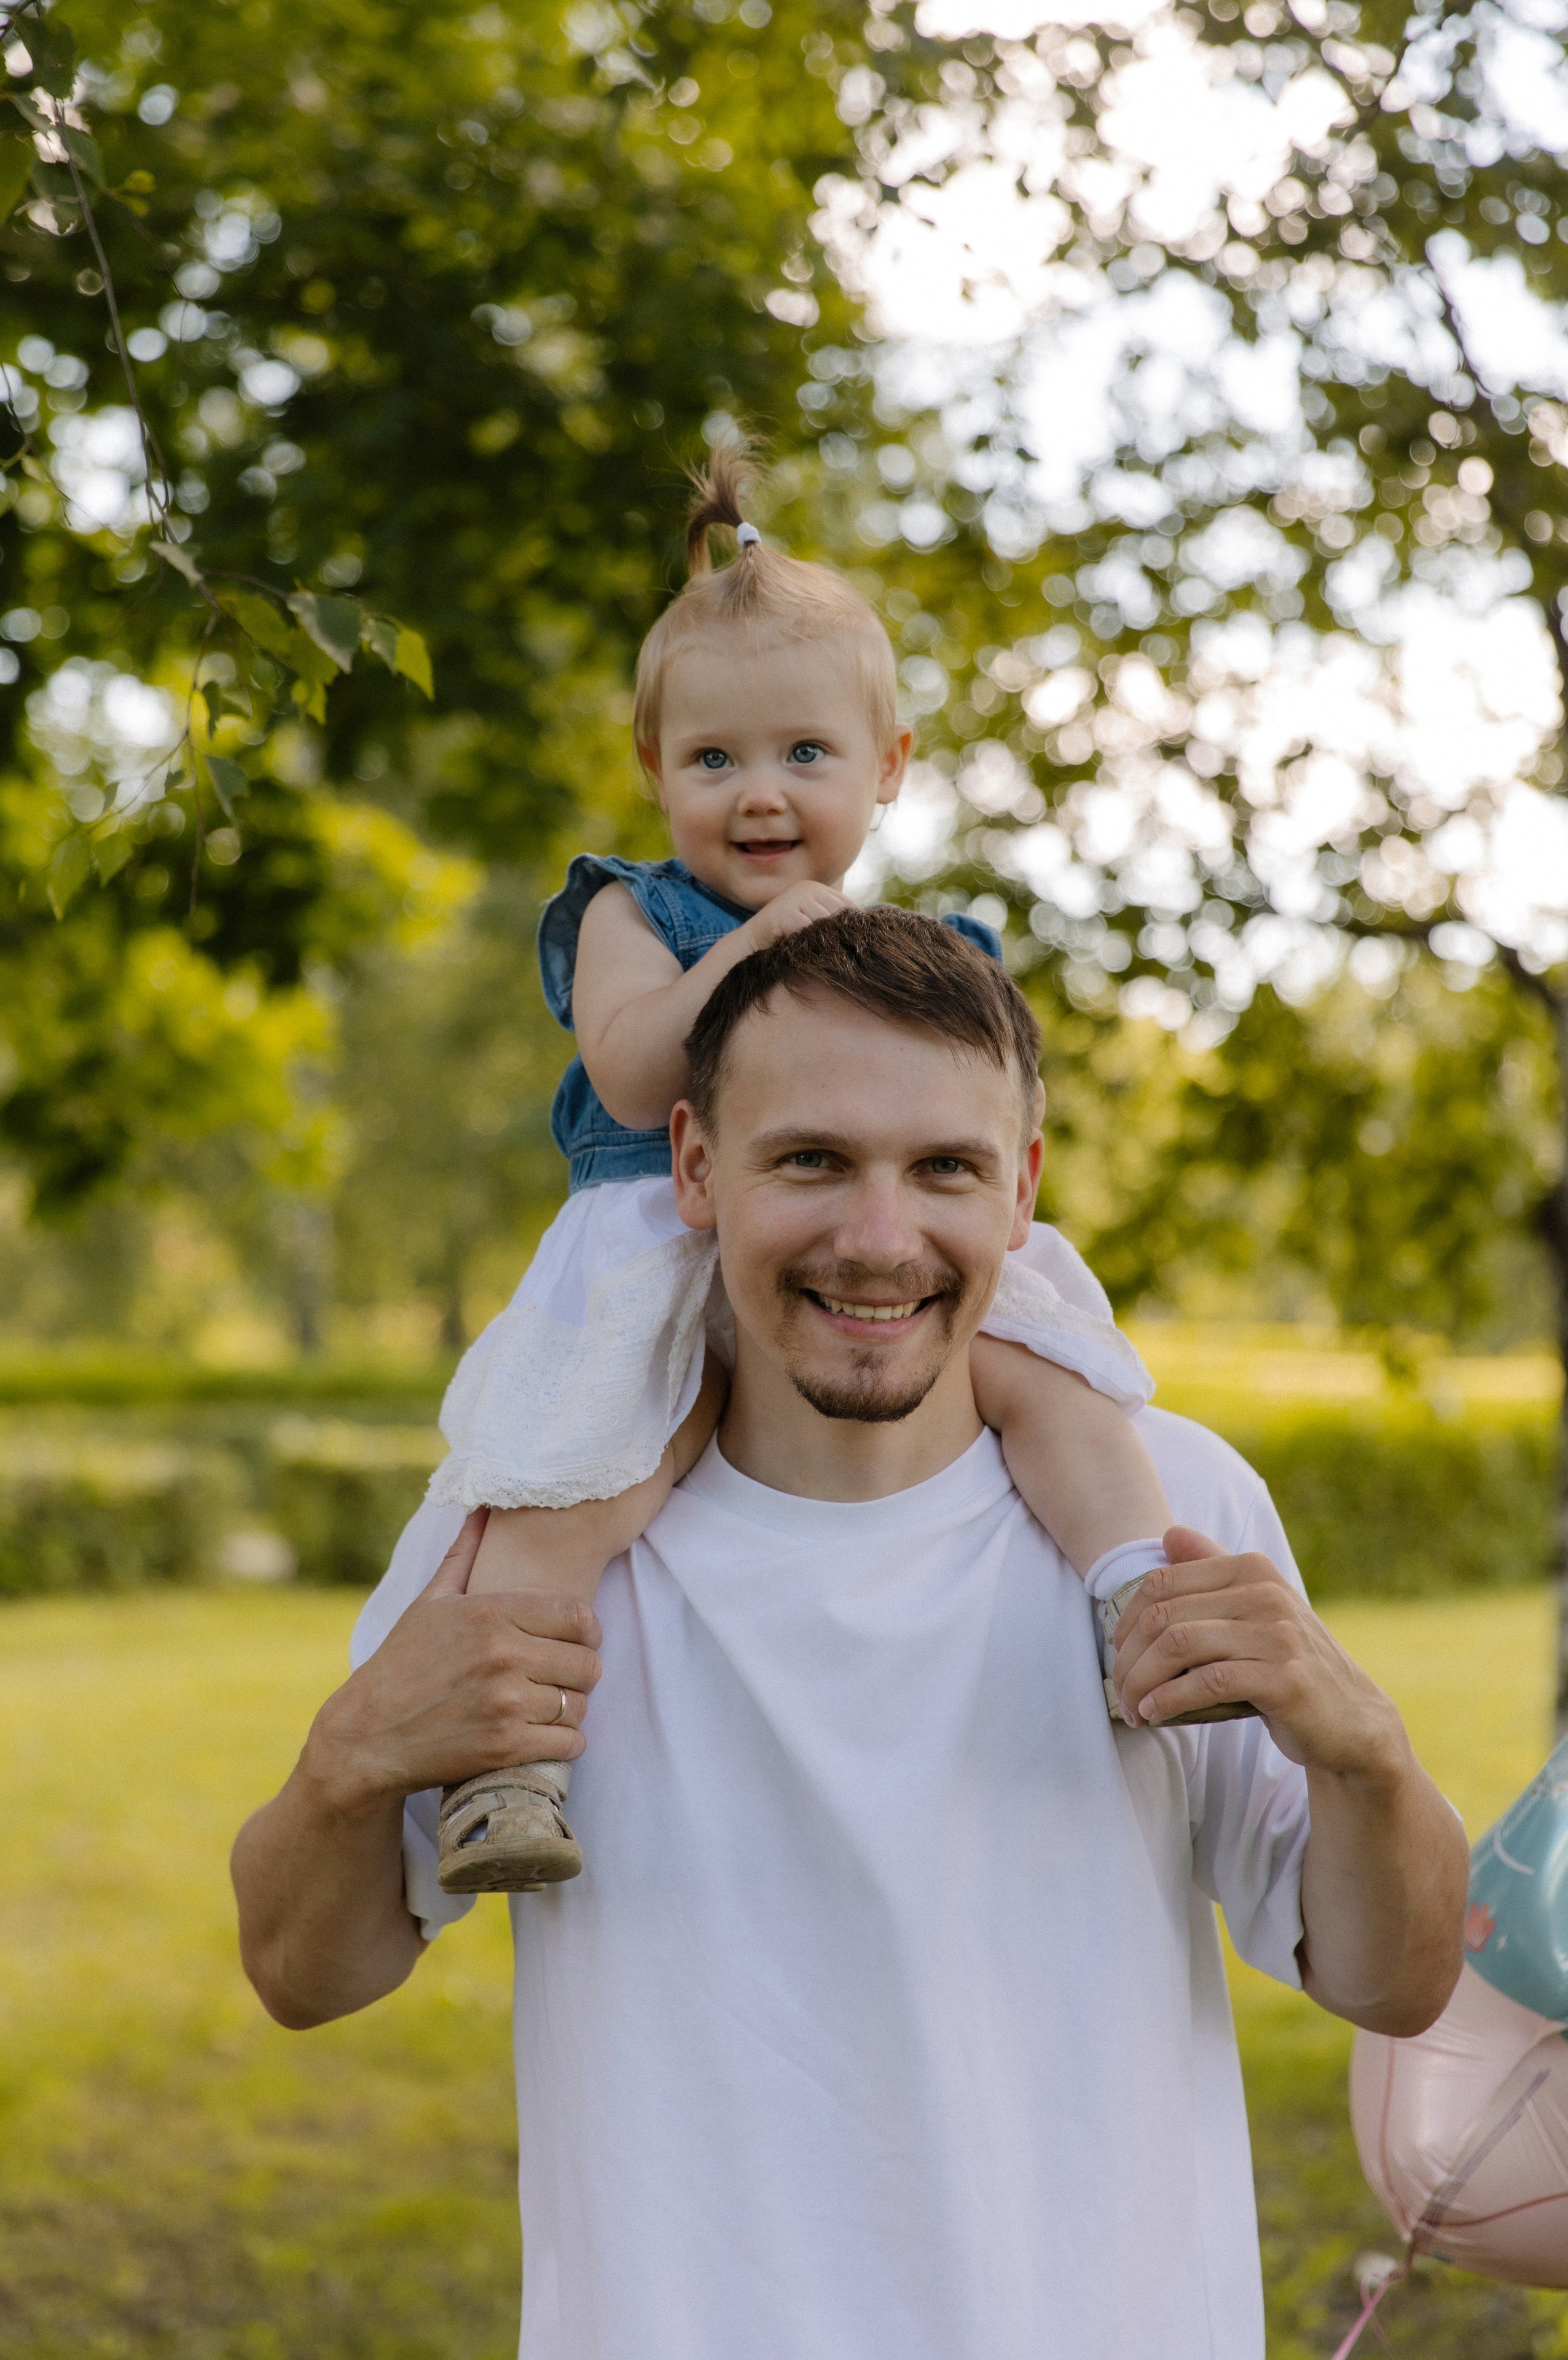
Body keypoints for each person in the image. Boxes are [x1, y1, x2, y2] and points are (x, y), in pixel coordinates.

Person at [233, 905, 1467, 2360]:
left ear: (1020, 1187)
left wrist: (1367, 1759)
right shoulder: (523, 1543)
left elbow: (1389, 1981)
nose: (879, 1242)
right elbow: (304, 1976)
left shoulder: (1167, 1514)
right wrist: (345, 1764)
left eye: (942, 1168)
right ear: (695, 1168)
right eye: (810, 1160)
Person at [422, 445, 1186, 1895]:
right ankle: (506, 1766)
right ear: (653, 770)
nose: (758, 795)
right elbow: (633, 1072)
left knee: (1051, 1384)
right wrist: (758, 950)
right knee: (573, 1488)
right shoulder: (631, 914)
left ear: (886, 767)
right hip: (653, 1259)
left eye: (804, 756)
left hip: (837, 1252)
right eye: (712, 760)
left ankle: (1137, 1609)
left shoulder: (921, 951)